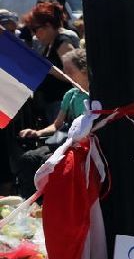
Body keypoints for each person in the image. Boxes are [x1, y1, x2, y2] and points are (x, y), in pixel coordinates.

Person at [17, 48, 89, 197]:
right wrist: (37, 132)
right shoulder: (70, 95)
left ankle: (54, 202)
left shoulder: (96, 94)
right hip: (66, 141)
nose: (66, 75)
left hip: (84, 144)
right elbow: (57, 125)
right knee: (28, 158)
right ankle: (32, 203)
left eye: (70, 71)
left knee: (48, 161)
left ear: (84, 70)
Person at [25, 2, 74, 124]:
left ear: (48, 25)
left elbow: (75, 76)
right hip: (52, 104)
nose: (34, 35)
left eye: (35, 29)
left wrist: (51, 69)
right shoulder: (49, 44)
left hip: (61, 105)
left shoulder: (62, 42)